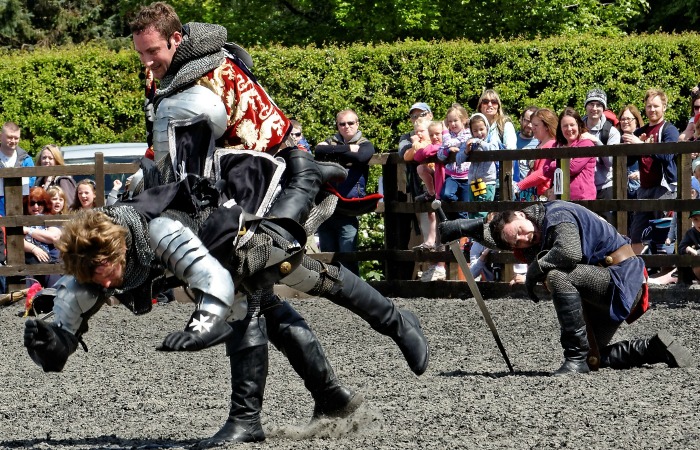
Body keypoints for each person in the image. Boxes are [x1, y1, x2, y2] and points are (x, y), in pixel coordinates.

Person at [438, 201, 693, 375]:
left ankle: (574, 359)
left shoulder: (557, 216)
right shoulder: (533, 222)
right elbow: (500, 236)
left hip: (620, 279)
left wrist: (535, 270)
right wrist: (465, 227)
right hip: (601, 282)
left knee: (558, 275)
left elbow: (568, 252)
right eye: (517, 240)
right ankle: (653, 349)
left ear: (521, 214)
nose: (525, 239)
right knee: (595, 358)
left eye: (521, 232)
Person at [315, 109, 375, 276]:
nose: (346, 127)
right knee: (327, 253)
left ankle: (352, 290)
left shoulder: (365, 143)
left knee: (348, 252)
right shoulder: (332, 141)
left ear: (357, 124)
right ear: (337, 126)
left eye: (350, 123)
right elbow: (319, 150)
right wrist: (349, 149)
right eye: (342, 124)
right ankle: (329, 289)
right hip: (328, 204)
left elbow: (362, 156)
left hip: (349, 206)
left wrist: (334, 150)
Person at [623, 88, 680, 254]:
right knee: (636, 233)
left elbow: (668, 154)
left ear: (664, 107)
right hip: (644, 188)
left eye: (656, 106)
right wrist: (630, 146)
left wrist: (642, 145)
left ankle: (665, 272)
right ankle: (640, 270)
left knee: (663, 231)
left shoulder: (669, 129)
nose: (652, 110)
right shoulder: (640, 132)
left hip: (665, 188)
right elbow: (628, 161)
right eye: (649, 106)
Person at [406, 118, 446, 281]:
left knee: (441, 223)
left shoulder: (435, 144)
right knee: (430, 218)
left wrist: (416, 144)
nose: (418, 135)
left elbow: (420, 152)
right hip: (431, 186)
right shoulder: (425, 144)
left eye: (421, 132)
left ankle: (441, 266)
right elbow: (411, 156)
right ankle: (433, 264)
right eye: (416, 132)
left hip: (442, 184)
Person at [582, 88, 621, 223]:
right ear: (586, 106)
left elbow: (611, 162)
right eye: (591, 104)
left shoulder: (611, 132)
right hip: (583, 187)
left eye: (598, 105)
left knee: (607, 226)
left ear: (603, 108)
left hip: (605, 186)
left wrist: (596, 142)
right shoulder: (577, 127)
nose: (594, 108)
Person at [543, 107, 596, 201]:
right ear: (560, 128)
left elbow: (573, 168)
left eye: (572, 125)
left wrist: (554, 164)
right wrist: (563, 163)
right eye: (565, 126)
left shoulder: (586, 144)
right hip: (560, 199)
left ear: (579, 125)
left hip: (582, 199)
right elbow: (546, 170)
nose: (569, 129)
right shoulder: (556, 145)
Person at [514, 108, 557, 201]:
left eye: (536, 125)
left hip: (543, 196)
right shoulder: (541, 144)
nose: (532, 128)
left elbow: (542, 173)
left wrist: (520, 185)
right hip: (534, 194)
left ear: (546, 126)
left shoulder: (551, 144)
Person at [23, 187, 62, 288]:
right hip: (28, 263)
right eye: (32, 203)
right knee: (26, 280)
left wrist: (28, 230)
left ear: (45, 204)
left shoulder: (50, 218)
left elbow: (54, 237)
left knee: (54, 284)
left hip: (50, 262)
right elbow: (17, 242)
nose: (36, 206)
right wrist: (34, 249)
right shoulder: (21, 219)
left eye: (39, 203)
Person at [437, 103, 471, 219]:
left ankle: (465, 234)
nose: (452, 124)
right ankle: (457, 215)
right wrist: (448, 151)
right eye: (450, 121)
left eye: (455, 120)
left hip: (466, 177)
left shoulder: (467, 134)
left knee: (465, 209)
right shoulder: (448, 135)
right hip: (452, 175)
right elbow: (440, 154)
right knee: (446, 195)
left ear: (463, 120)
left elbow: (451, 143)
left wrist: (445, 133)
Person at [0, 122, 35, 216]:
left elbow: (29, 186)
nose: (13, 141)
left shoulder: (27, 160)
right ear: (0, 136)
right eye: (9, 137)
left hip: (20, 211)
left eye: (16, 138)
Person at [678, 209, 700, 283]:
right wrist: (688, 248)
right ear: (691, 220)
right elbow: (681, 247)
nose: (699, 223)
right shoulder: (691, 233)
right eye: (695, 219)